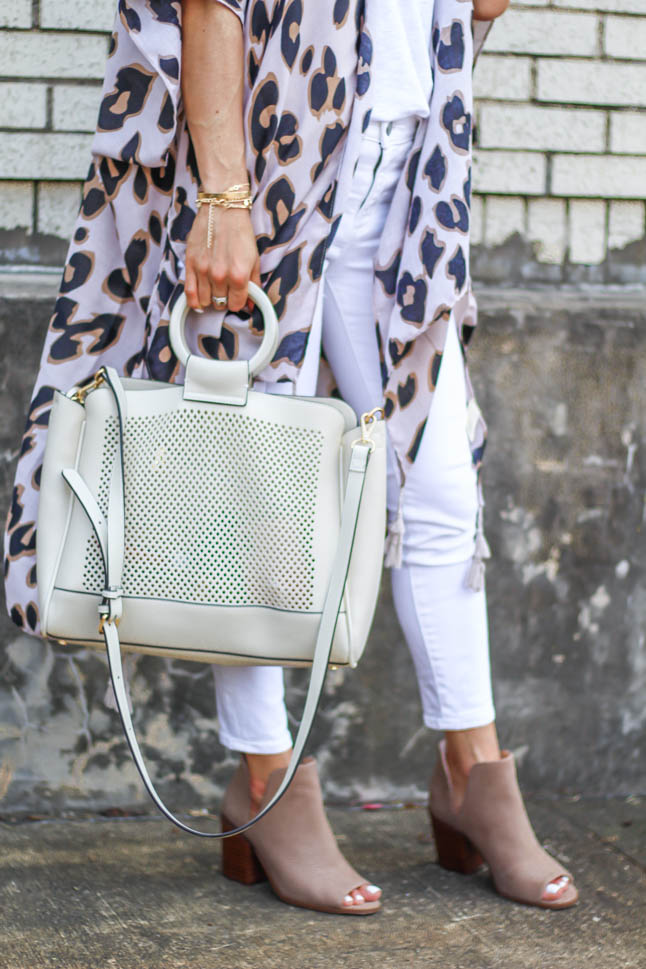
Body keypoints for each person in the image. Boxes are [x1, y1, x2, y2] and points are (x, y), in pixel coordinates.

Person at [4, 0, 577, 915]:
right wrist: (223, 199)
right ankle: (267, 779)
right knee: (249, 493)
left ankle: (472, 775)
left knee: (437, 486)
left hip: (401, 185)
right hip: (277, 178)